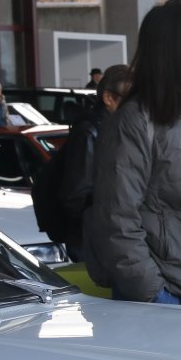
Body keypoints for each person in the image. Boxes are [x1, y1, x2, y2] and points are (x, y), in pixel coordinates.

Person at [88, 0, 181, 308]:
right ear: (164, 52)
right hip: (167, 302)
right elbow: (116, 221)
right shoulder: (135, 121)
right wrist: (155, 295)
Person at [55, 64, 130, 262]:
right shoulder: (89, 133)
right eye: (130, 99)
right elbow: (76, 195)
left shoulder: (118, 129)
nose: (137, 107)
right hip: (92, 239)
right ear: (108, 98)